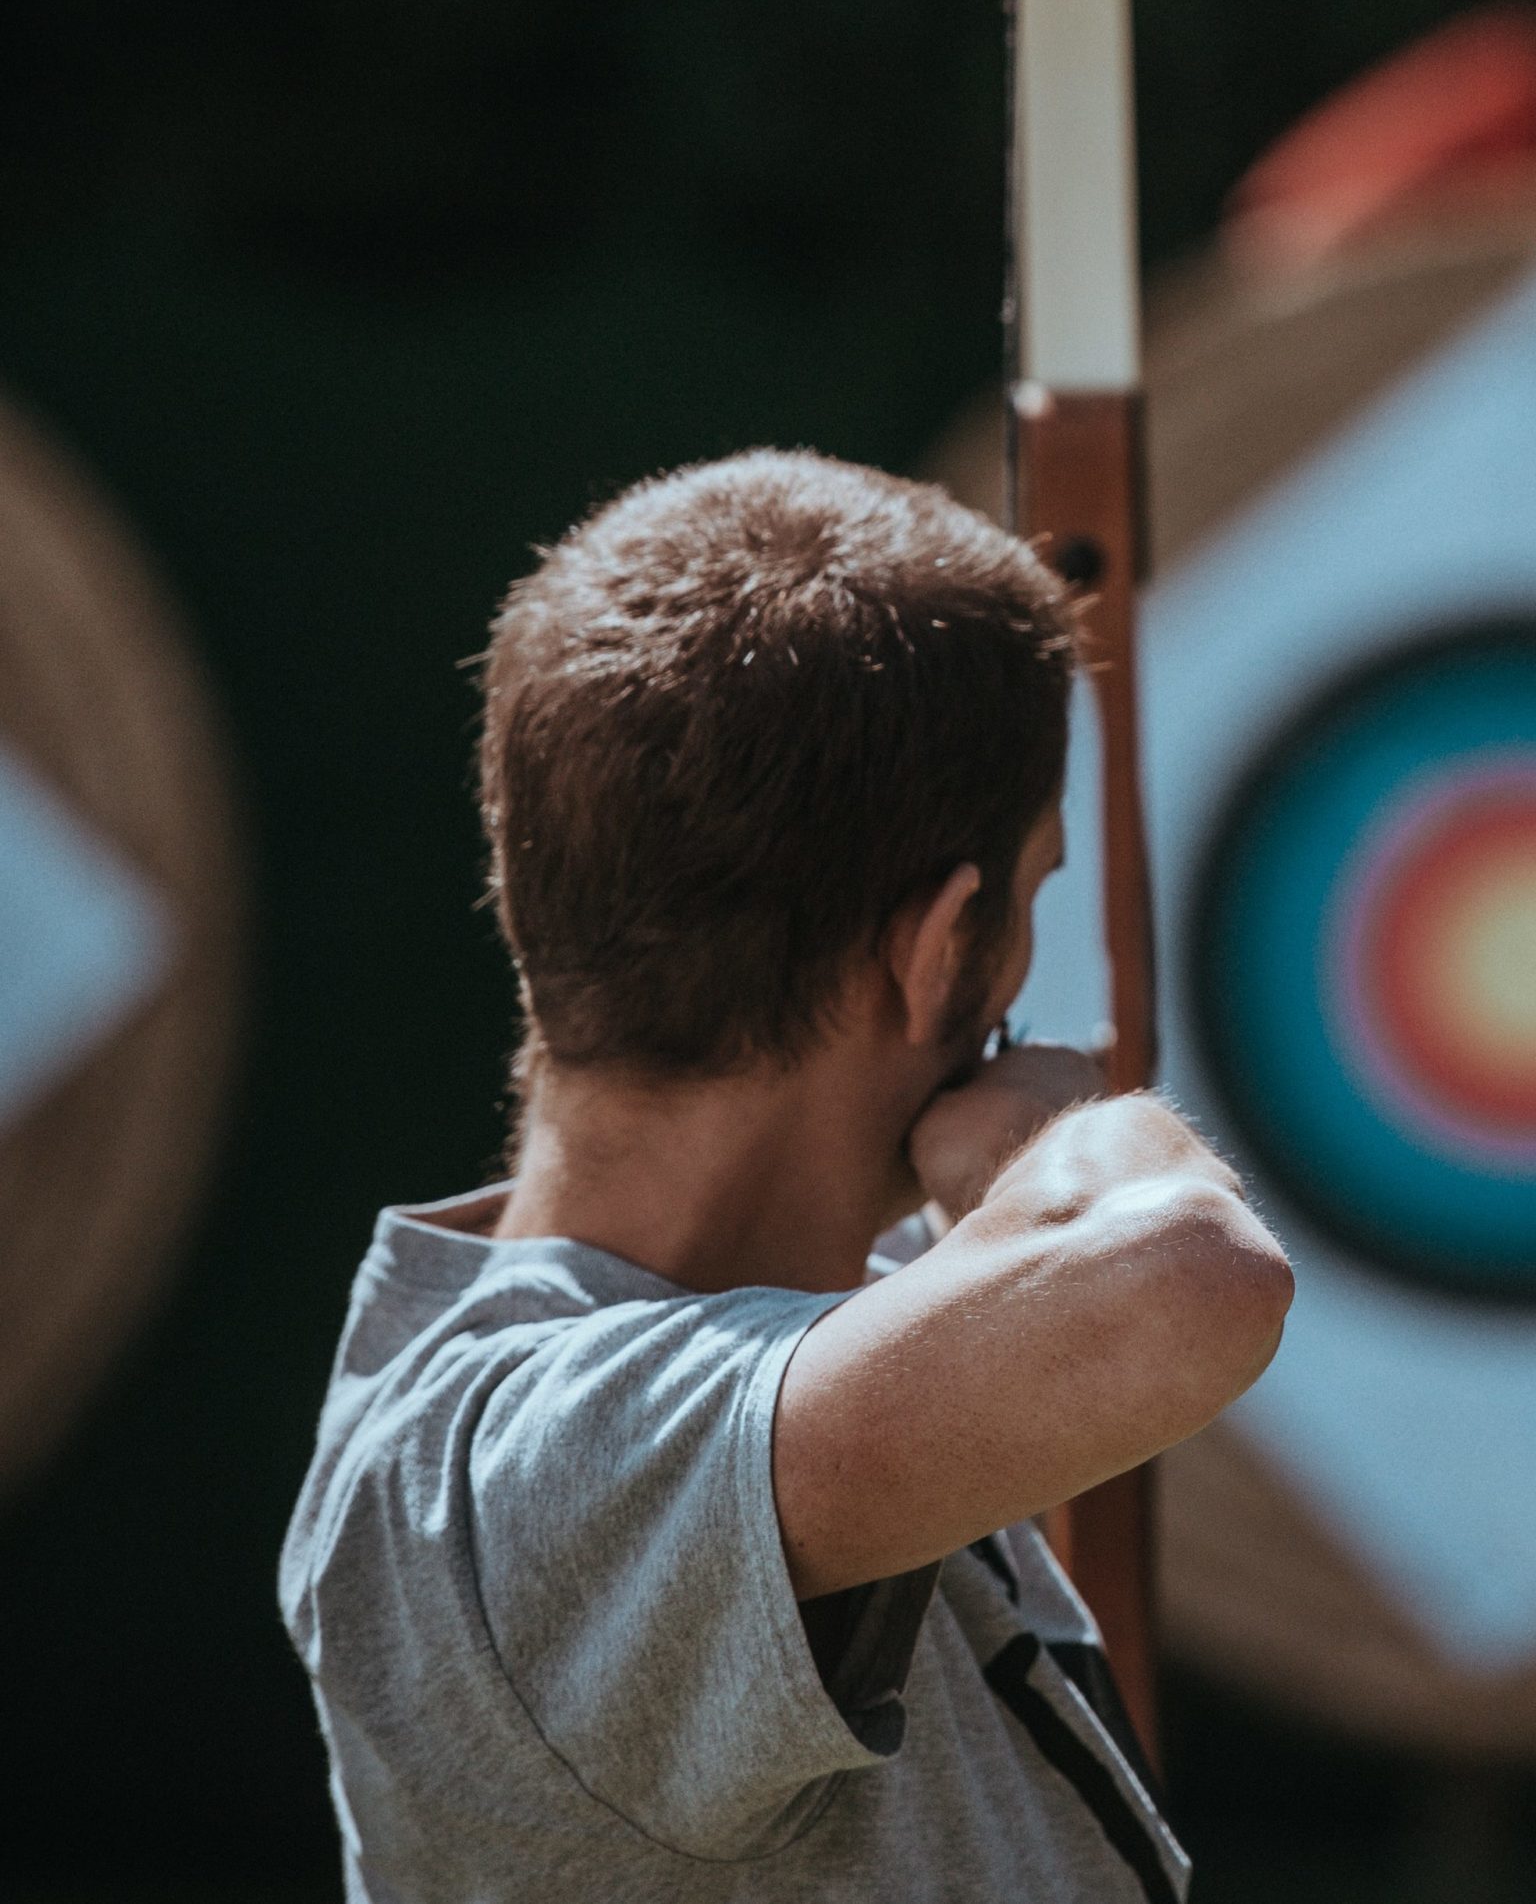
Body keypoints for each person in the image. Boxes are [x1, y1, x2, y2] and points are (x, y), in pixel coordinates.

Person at [278, 450, 1293, 1902]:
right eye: (1032, 895)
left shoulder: (847, 1330)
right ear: (940, 945)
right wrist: (1047, 1138)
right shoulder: (514, 1478)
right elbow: (1179, 1281)